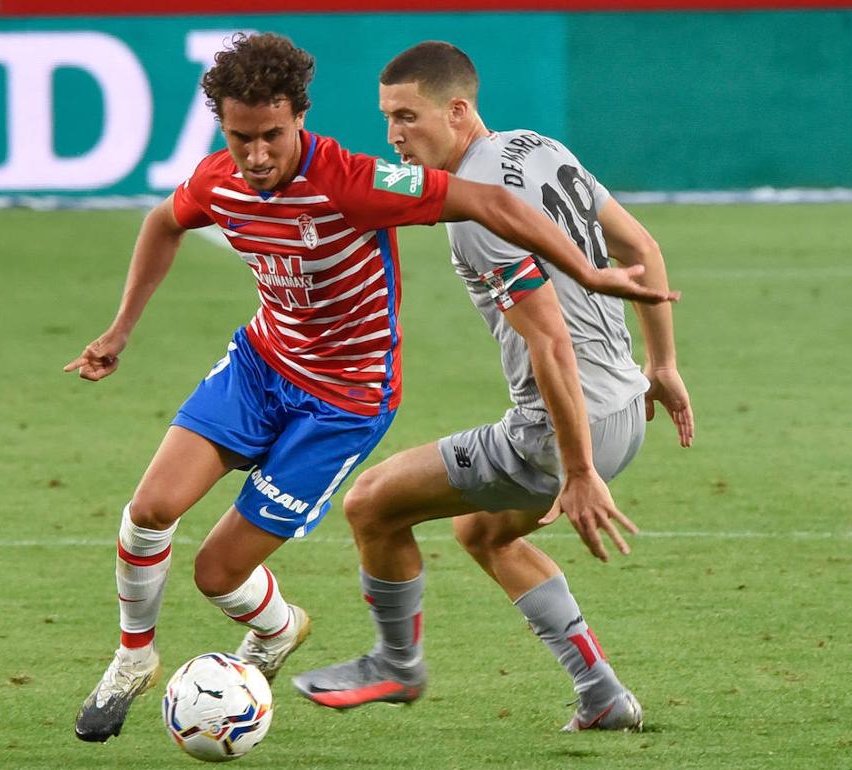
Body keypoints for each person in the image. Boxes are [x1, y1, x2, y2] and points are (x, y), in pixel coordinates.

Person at [65, 32, 676, 744]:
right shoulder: (221, 180)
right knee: (152, 510)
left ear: (300, 118)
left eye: (271, 136)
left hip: (356, 402)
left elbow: (506, 243)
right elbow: (165, 221)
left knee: (296, 539)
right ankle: (134, 659)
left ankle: (366, 655)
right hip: (268, 367)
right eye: (239, 138)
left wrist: (588, 286)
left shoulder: (365, 183)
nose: (255, 156)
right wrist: (120, 330)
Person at [291, 41, 694, 732]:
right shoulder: (539, 147)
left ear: (457, 110)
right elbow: (642, 248)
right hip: (627, 406)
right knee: (482, 531)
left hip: (563, 431)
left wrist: (577, 471)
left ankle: (396, 663)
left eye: (407, 117)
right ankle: (601, 694)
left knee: (371, 504)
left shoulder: (479, 215)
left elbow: (550, 341)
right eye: (387, 118)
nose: (394, 136)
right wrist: (662, 366)